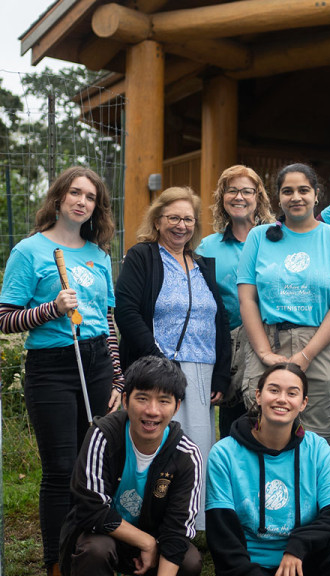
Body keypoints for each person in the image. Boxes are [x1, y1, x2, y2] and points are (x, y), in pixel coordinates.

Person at [0, 166, 123, 576]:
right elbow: (5, 319)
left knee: (94, 463)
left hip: (96, 363)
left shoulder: (98, 255)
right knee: (60, 469)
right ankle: (56, 561)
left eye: (90, 197)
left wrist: (117, 377)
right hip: (52, 365)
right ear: (58, 197)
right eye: (75, 193)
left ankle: (88, 551)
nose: (82, 202)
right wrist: (51, 309)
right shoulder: (30, 251)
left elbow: (106, 323)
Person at [115, 186, 231, 530]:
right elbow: (127, 310)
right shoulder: (143, 256)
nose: (181, 225)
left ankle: (188, 524)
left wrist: (221, 375)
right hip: (159, 371)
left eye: (188, 219)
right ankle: (144, 519)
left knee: (195, 446)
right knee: (155, 441)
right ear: (158, 220)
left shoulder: (201, 265)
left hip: (202, 371)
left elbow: (219, 320)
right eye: (173, 218)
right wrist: (156, 360)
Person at [237, 163, 330, 444]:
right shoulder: (259, 236)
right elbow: (247, 299)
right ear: (278, 198)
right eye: (287, 191)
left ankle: (309, 487)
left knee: (314, 437)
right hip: (267, 338)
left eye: (304, 190)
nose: (296, 197)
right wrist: (264, 353)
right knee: (263, 429)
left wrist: (306, 355)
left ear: (316, 195)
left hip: (320, 341)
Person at [206, 362, 330, 576]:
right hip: (248, 566)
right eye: (274, 390)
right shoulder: (224, 454)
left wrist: (298, 545)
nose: (282, 399)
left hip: (300, 561)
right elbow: (222, 533)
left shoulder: (318, 450)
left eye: (292, 393)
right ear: (258, 395)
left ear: (303, 403)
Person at [59, 356, 203, 576]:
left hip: (156, 536)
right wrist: (146, 542)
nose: (152, 411)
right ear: (125, 400)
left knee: (188, 561)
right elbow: (91, 509)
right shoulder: (103, 436)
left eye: (164, 401)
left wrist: (154, 545)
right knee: (96, 550)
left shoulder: (186, 454)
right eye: (142, 398)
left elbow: (177, 529)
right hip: (104, 535)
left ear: (176, 407)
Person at [198, 164, 275, 438]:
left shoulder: (275, 240)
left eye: (246, 191)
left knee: (271, 418)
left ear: (259, 197)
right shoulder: (208, 247)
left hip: (271, 342)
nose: (239, 197)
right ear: (222, 198)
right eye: (232, 191)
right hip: (230, 349)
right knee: (234, 425)